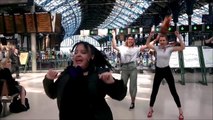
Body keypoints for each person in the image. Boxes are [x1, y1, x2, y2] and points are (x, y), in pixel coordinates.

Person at [43, 41, 127, 120]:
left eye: (83, 52)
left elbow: (119, 95)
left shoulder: (98, 74)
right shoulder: (67, 74)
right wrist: (48, 80)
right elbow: (52, 93)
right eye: (76, 52)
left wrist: (112, 83)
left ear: (91, 56)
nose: (78, 55)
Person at [146, 31, 185, 120]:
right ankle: (150, 109)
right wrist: (150, 36)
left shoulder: (170, 49)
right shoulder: (156, 48)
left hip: (167, 70)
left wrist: (179, 36)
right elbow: (147, 44)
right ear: (159, 41)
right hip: (158, 71)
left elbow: (182, 47)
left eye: (163, 40)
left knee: (173, 91)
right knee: (154, 91)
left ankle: (180, 111)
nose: (162, 42)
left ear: (166, 41)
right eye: (161, 40)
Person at [111, 30, 147, 109]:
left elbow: (146, 46)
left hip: (133, 68)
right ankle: (119, 96)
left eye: (132, 39)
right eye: (129, 39)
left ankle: (132, 102)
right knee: (122, 85)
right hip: (124, 68)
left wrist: (151, 36)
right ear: (126, 40)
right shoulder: (122, 48)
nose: (130, 40)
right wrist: (114, 35)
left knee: (132, 86)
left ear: (133, 41)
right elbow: (114, 46)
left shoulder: (136, 49)